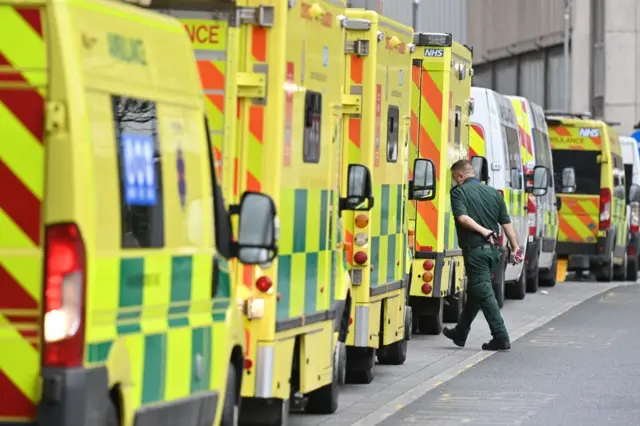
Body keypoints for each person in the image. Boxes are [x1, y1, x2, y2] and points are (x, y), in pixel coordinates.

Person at [442, 159, 524, 351]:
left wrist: (483, 231)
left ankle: (500, 337)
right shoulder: (493, 193)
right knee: (476, 291)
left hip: (476, 252)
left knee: (484, 293)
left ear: (460, 176)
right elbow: (507, 223)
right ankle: (460, 333)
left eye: (455, 178)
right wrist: (516, 247)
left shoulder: (459, 192)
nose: (455, 181)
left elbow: (462, 218)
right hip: (493, 253)